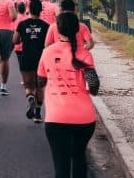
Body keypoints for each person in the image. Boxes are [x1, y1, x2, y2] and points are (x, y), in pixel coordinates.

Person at [38, 12, 100, 178]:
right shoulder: (85, 54)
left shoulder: (47, 52)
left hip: (56, 118)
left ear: (58, 29)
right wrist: (91, 92)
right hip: (84, 119)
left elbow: (41, 81)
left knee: (61, 165)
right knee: (79, 156)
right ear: (77, 29)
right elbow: (93, 84)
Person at [13, 0, 50, 123]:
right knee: (40, 87)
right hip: (41, 59)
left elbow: (15, 40)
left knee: (28, 86)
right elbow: (49, 44)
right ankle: (38, 115)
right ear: (40, 10)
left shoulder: (23, 24)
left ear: (29, 9)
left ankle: (30, 98)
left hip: (26, 57)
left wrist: (23, 38)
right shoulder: (46, 26)